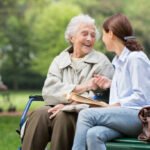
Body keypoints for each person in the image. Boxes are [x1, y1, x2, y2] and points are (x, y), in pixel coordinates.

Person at [22, 14, 114, 150]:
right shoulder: (59, 60)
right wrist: (84, 86)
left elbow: (104, 98)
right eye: (84, 34)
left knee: (63, 117)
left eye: (93, 35)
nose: (89, 38)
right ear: (72, 37)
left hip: (82, 114)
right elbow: (48, 91)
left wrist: (68, 105)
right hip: (54, 107)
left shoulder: (102, 62)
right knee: (39, 114)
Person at [72, 13, 150, 150]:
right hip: (126, 119)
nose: (102, 39)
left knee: (86, 114)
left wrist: (113, 105)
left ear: (111, 34)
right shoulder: (119, 62)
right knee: (93, 134)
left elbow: (142, 96)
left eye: (103, 34)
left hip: (139, 117)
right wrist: (111, 83)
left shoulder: (136, 58)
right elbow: (127, 90)